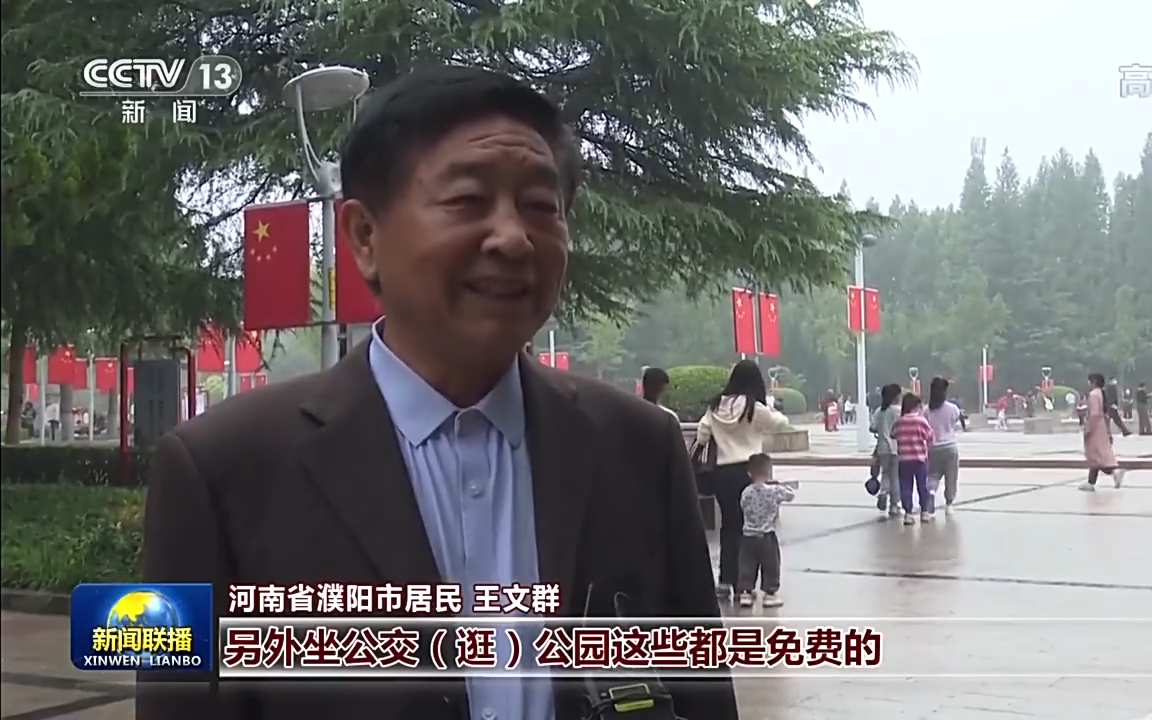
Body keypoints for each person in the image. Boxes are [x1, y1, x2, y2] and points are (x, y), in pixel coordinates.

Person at [138, 66, 738, 720]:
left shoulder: (639, 447)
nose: (512, 238)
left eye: (541, 207)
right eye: (467, 200)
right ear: (365, 237)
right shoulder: (223, 470)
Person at [695, 359, 790, 599]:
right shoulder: (752, 407)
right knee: (753, 529)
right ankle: (745, 585)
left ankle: (725, 580)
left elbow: (702, 434)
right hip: (751, 472)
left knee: (729, 526)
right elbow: (781, 423)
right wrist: (771, 408)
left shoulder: (715, 405)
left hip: (722, 473)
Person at [736, 453, 794, 609]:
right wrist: (781, 485)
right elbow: (790, 495)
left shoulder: (746, 492)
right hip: (767, 535)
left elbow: (742, 506)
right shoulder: (774, 491)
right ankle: (769, 593)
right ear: (769, 471)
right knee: (770, 565)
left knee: (747, 564)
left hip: (748, 536)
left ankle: (746, 592)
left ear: (749, 473)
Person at [890, 392, 934, 526]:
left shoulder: (899, 421)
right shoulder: (921, 420)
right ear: (916, 406)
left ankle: (908, 514)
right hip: (920, 459)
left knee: (906, 486)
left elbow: (893, 434)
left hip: (904, 459)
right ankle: (924, 512)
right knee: (922, 486)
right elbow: (930, 436)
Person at [1080, 372, 1127, 492]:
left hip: (1095, 428)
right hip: (1101, 427)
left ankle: (1113, 473)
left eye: (1089, 381)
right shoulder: (1101, 393)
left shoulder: (1093, 395)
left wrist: (1088, 429)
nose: (1088, 384)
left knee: (1096, 457)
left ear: (1094, 382)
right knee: (1097, 457)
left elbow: (1094, 414)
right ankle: (1092, 481)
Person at [924, 376, 963, 514]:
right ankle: (949, 504)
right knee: (951, 477)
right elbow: (955, 421)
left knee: (932, 475)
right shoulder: (952, 408)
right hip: (950, 447)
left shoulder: (926, 410)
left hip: (933, 447)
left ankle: (931, 493)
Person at [870, 383, 903, 518]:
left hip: (882, 448)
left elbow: (872, 427)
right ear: (896, 396)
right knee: (895, 477)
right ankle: (894, 505)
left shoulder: (879, 411)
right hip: (897, 447)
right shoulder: (899, 411)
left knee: (885, 473)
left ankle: (883, 492)